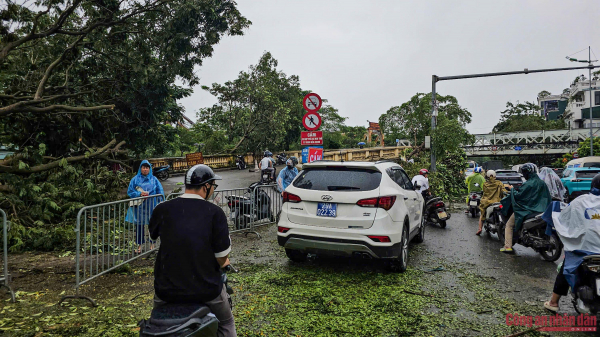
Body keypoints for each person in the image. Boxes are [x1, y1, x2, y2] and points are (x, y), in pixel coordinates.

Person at [149, 165, 236, 337]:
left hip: (166, 289)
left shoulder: (162, 209)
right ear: (206, 186)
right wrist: (225, 261)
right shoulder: (215, 213)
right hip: (205, 289)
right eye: (213, 186)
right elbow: (221, 257)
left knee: (155, 325)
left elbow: (153, 235)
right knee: (227, 323)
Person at [542, 174, 600, 312]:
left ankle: (554, 303)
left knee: (567, 267)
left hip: (584, 250)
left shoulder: (580, 201)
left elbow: (563, 217)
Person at [500, 163, 552, 253]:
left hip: (527, 210)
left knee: (509, 225)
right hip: (541, 210)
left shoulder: (528, 184)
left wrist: (512, 189)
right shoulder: (542, 183)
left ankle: (507, 246)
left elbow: (519, 195)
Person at [126, 160, 164, 254]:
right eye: (143, 167)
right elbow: (130, 191)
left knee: (152, 225)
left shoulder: (154, 179)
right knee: (139, 226)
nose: (145, 169)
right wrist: (139, 193)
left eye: (147, 168)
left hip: (152, 206)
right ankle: (139, 246)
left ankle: (152, 245)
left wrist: (161, 203)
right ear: (140, 168)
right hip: (140, 207)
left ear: (149, 169)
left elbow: (160, 192)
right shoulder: (135, 179)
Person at [475, 170, 506, 236]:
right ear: (495, 176)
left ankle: (480, 228)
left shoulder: (485, 184)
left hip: (487, 202)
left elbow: (484, 193)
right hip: (498, 201)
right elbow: (503, 192)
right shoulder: (499, 183)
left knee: (482, 214)